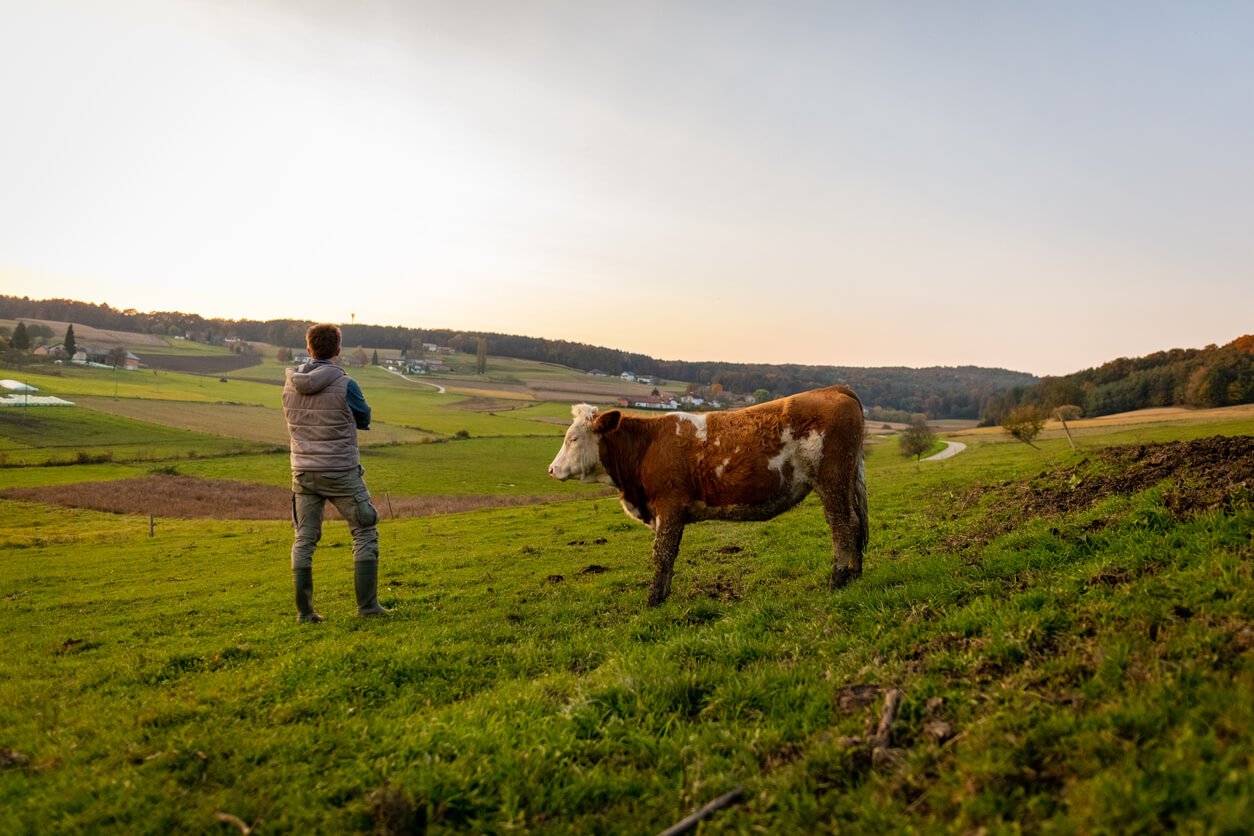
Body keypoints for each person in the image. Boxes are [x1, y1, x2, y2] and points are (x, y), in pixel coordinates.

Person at [282, 323, 388, 622]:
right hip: (340, 470)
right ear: (338, 350)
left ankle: (305, 613)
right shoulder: (346, 384)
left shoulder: (290, 383)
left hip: (302, 471)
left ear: (308, 348)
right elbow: (364, 416)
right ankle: (368, 607)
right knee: (364, 530)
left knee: (304, 539)